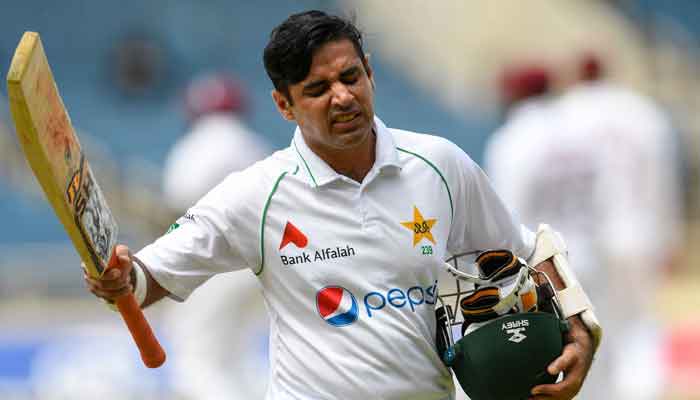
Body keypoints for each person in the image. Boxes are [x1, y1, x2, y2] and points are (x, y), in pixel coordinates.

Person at [85, 10, 595, 400]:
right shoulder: (255, 195)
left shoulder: (440, 164)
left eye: (350, 77)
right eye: (317, 89)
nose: (343, 97)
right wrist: (120, 278)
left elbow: (528, 250)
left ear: (370, 72)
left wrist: (579, 331)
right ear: (284, 105)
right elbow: (146, 280)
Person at [485, 55, 683, 400]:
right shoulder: (577, 134)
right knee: (601, 344)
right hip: (592, 249)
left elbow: (508, 215)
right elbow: (609, 193)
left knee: (552, 355)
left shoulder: (513, 140)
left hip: (544, 264)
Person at [160, 73, 272, 399]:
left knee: (197, 359)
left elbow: (176, 207)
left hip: (213, 266)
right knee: (235, 357)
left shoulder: (195, 146)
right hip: (260, 262)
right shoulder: (254, 144)